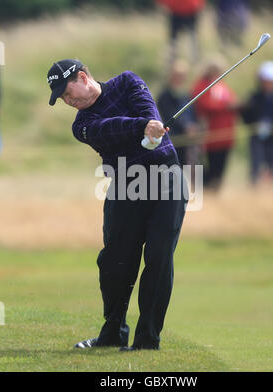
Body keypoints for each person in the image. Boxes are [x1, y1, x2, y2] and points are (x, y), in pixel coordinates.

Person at [47, 59, 188, 351]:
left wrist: (151, 125)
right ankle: (113, 333)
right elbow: (110, 129)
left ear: (83, 77)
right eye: (62, 98)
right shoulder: (82, 125)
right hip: (126, 185)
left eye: (67, 92)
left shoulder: (126, 82)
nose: (68, 100)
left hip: (166, 177)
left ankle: (147, 340)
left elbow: (147, 107)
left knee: (159, 257)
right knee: (114, 261)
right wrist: (143, 127)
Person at [241, 61, 273, 185]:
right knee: (256, 164)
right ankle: (254, 187)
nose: (268, 84)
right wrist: (255, 125)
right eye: (265, 81)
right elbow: (246, 115)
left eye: (271, 81)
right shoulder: (253, 97)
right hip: (256, 137)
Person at [191, 61, 238, 192]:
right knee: (208, 165)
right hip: (209, 135)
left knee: (220, 166)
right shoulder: (202, 86)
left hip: (225, 134)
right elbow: (204, 104)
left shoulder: (222, 86)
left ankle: (215, 189)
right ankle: (205, 189)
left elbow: (233, 100)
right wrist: (225, 106)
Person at [157, 60, 198, 167]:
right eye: (178, 75)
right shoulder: (165, 95)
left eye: (183, 75)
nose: (180, 78)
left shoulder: (185, 94)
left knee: (183, 166)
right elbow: (169, 114)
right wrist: (186, 126)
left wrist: (193, 126)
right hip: (172, 138)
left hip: (185, 138)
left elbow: (191, 113)